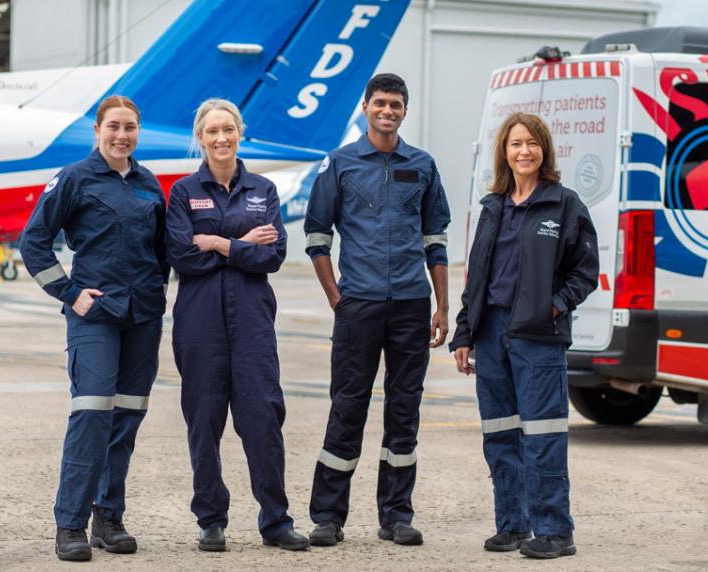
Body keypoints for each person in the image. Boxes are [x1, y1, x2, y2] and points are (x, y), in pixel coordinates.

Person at [303, 73, 451, 547]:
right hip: (359, 306)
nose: (388, 111)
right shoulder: (341, 164)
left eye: (397, 105)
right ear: (366, 107)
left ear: (405, 111)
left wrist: (443, 305)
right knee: (348, 407)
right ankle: (328, 517)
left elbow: (436, 241)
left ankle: (396, 516)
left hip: (411, 304)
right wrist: (335, 298)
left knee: (404, 410)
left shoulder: (423, 166)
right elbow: (317, 236)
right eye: (381, 103)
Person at [20, 95, 169, 562]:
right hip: (95, 315)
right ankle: (70, 524)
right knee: (91, 413)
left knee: (127, 414)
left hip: (142, 316)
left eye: (130, 127)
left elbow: (162, 250)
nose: (122, 135)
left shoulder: (150, 184)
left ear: (138, 131)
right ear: (97, 130)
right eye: (113, 127)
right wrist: (70, 293)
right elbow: (34, 243)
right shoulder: (74, 179)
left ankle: (109, 517)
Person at [449, 112, 599, 559]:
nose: (524, 151)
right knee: (499, 434)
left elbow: (585, 271)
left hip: (538, 336)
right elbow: (477, 277)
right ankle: (513, 524)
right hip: (492, 331)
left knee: (542, 434)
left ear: (544, 150)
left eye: (532, 143)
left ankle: (554, 531)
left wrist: (552, 305)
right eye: (515, 144)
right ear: (505, 153)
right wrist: (464, 333)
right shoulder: (492, 206)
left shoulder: (564, 204)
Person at [165, 98, 309, 552]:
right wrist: (242, 243)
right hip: (200, 324)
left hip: (251, 323)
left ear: (240, 133)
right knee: (203, 421)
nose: (221, 138)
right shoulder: (184, 193)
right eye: (212, 131)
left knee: (263, 418)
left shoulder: (263, 190)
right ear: (200, 138)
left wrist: (219, 243)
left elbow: (274, 255)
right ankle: (211, 519)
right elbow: (183, 257)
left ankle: (276, 521)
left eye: (228, 129)